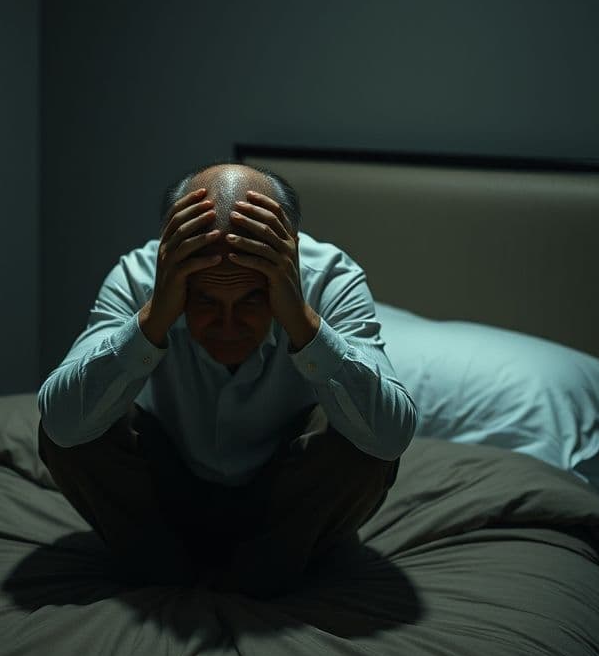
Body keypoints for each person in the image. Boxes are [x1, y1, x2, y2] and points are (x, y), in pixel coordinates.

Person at [37, 161, 417, 598]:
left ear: (288, 259)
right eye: (205, 299)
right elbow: (62, 423)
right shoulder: (140, 278)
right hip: (164, 496)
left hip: (288, 498)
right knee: (72, 418)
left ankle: (255, 579)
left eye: (253, 298)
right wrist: (155, 315)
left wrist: (302, 319)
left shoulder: (330, 278)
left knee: (365, 437)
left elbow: (390, 437)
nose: (228, 324)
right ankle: (167, 575)